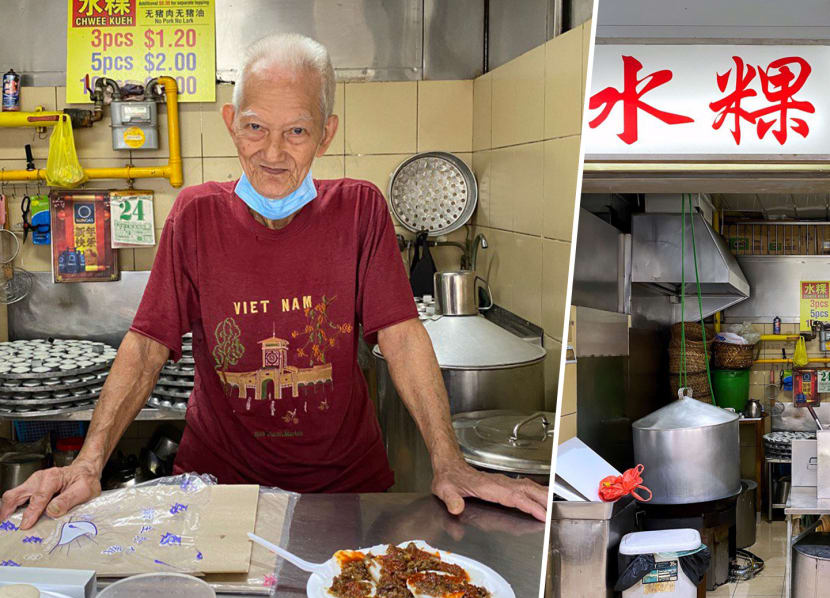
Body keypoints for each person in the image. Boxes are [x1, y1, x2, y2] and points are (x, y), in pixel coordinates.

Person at [0, 33, 548, 529]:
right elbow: (147, 344)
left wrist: (448, 461)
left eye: (297, 131)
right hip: (219, 488)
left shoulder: (360, 210)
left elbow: (401, 335)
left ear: (326, 134)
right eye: (255, 127)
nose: (273, 152)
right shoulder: (194, 215)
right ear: (230, 122)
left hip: (344, 490)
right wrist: (89, 461)